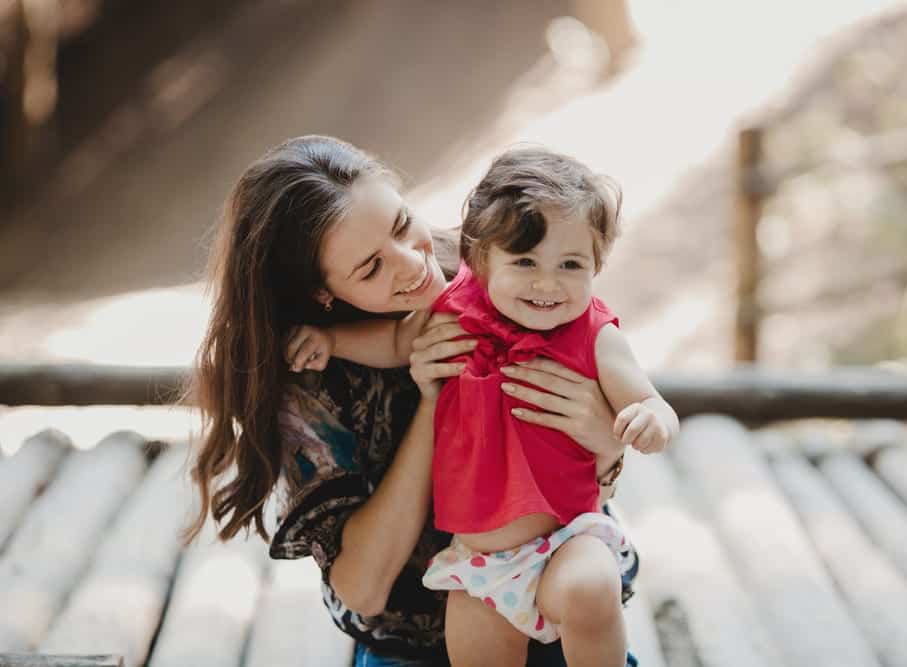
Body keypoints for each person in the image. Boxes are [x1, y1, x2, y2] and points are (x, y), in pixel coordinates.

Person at [185, 135, 655, 666]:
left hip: (555, 595)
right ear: (324, 293)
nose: (412, 264)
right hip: (418, 639)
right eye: (371, 268)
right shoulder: (310, 378)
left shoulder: (499, 268)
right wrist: (433, 401)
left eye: (404, 225)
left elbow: (597, 421)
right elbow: (362, 590)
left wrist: (605, 438)